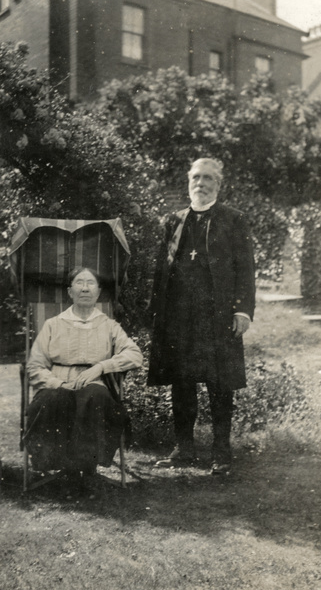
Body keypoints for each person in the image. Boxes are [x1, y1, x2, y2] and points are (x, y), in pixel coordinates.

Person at [147, 158, 255, 474]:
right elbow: (160, 271)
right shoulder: (174, 221)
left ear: (218, 185)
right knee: (181, 383)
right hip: (179, 317)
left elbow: (246, 269)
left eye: (208, 178)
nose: (201, 183)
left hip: (218, 316)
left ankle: (221, 452)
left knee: (220, 383)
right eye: (196, 177)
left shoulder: (234, 220)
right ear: (188, 181)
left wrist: (243, 310)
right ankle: (183, 449)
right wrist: (157, 313)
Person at [25, 266, 143, 483]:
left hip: (95, 381)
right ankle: (63, 467)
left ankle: (88, 467)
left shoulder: (108, 325)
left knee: (95, 398)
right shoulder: (53, 325)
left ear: (98, 292)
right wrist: (57, 383)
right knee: (51, 399)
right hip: (59, 379)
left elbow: (135, 355)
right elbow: (35, 366)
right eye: (79, 282)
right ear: (70, 292)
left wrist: (101, 367)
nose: (85, 288)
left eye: (91, 283)